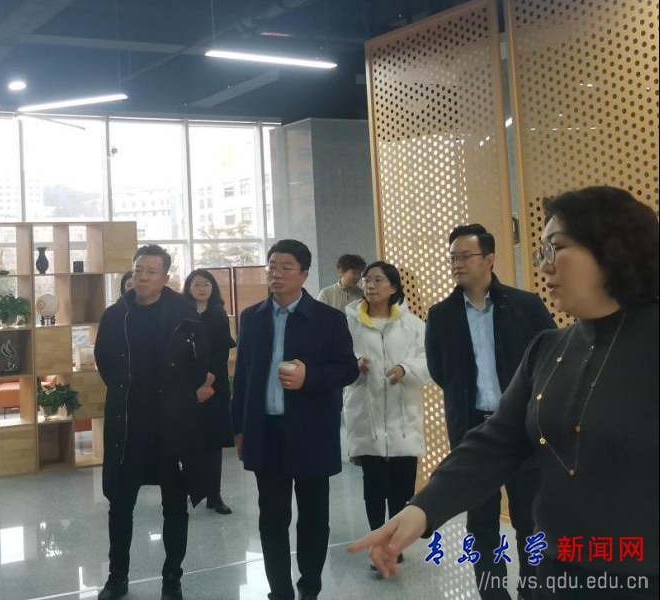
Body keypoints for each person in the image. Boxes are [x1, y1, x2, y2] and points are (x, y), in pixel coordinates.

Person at [350, 186, 659, 599]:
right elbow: (496, 441)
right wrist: (422, 509)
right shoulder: (549, 348)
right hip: (558, 572)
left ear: (612, 248)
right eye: (541, 252)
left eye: (556, 248)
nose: (543, 265)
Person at [423, 223, 556, 599]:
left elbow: (550, 357)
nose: (457, 263)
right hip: (473, 431)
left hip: (522, 428)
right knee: (481, 525)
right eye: (453, 257)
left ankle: (533, 593)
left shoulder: (525, 305)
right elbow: (439, 370)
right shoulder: (441, 315)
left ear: (490, 259)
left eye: (465, 256)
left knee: (530, 522)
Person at [231, 239, 359, 600]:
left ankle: (310, 587)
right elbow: (242, 378)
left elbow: (348, 369)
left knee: (314, 518)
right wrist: (238, 428)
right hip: (265, 432)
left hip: (312, 433)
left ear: (304, 273)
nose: (276, 273)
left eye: (286, 266)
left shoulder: (328, 319)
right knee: (271, 518)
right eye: (272, 266)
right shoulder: (251, 318)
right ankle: (280, 591)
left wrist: (310, 377)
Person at [94, 245, 211, 600]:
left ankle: (172, 578)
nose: (142, 277)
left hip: (171, 425)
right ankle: (117, 576)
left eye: (151, 271)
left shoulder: (185, 314)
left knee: (174, 506)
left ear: (165, 277)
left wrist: (183, 394)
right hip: (128, 423)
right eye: (138, 270)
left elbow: (199, 362)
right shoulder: (116, 315)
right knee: (120, 505)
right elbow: (105, 362)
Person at [343, 261, 429, 566]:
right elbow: (337, 360)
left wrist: (406, 368)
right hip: (366, 417)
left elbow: (428, 361)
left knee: (402, 488)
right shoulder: (349, 324)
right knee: (374, 486)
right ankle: (378, 543)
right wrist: (355, 364)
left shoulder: (413, 325)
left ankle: (395, 543)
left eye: (378, 280)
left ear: (394, 287)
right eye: (367, 280)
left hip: (403, 419)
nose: (370, 285)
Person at [183, 268, 237, 515]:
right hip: (187, 387)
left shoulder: (219, 314)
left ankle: (214, 495)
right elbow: (178, 352)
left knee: (213, 443)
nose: (202, 288)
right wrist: (196, 382)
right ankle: (188, 490)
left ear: (213, 288)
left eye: (206, 284)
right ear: (188, 288)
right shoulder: (181, 314)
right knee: (187, 441)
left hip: (215, 387)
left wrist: (207, 382)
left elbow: (221, 352)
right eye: (197, 284)